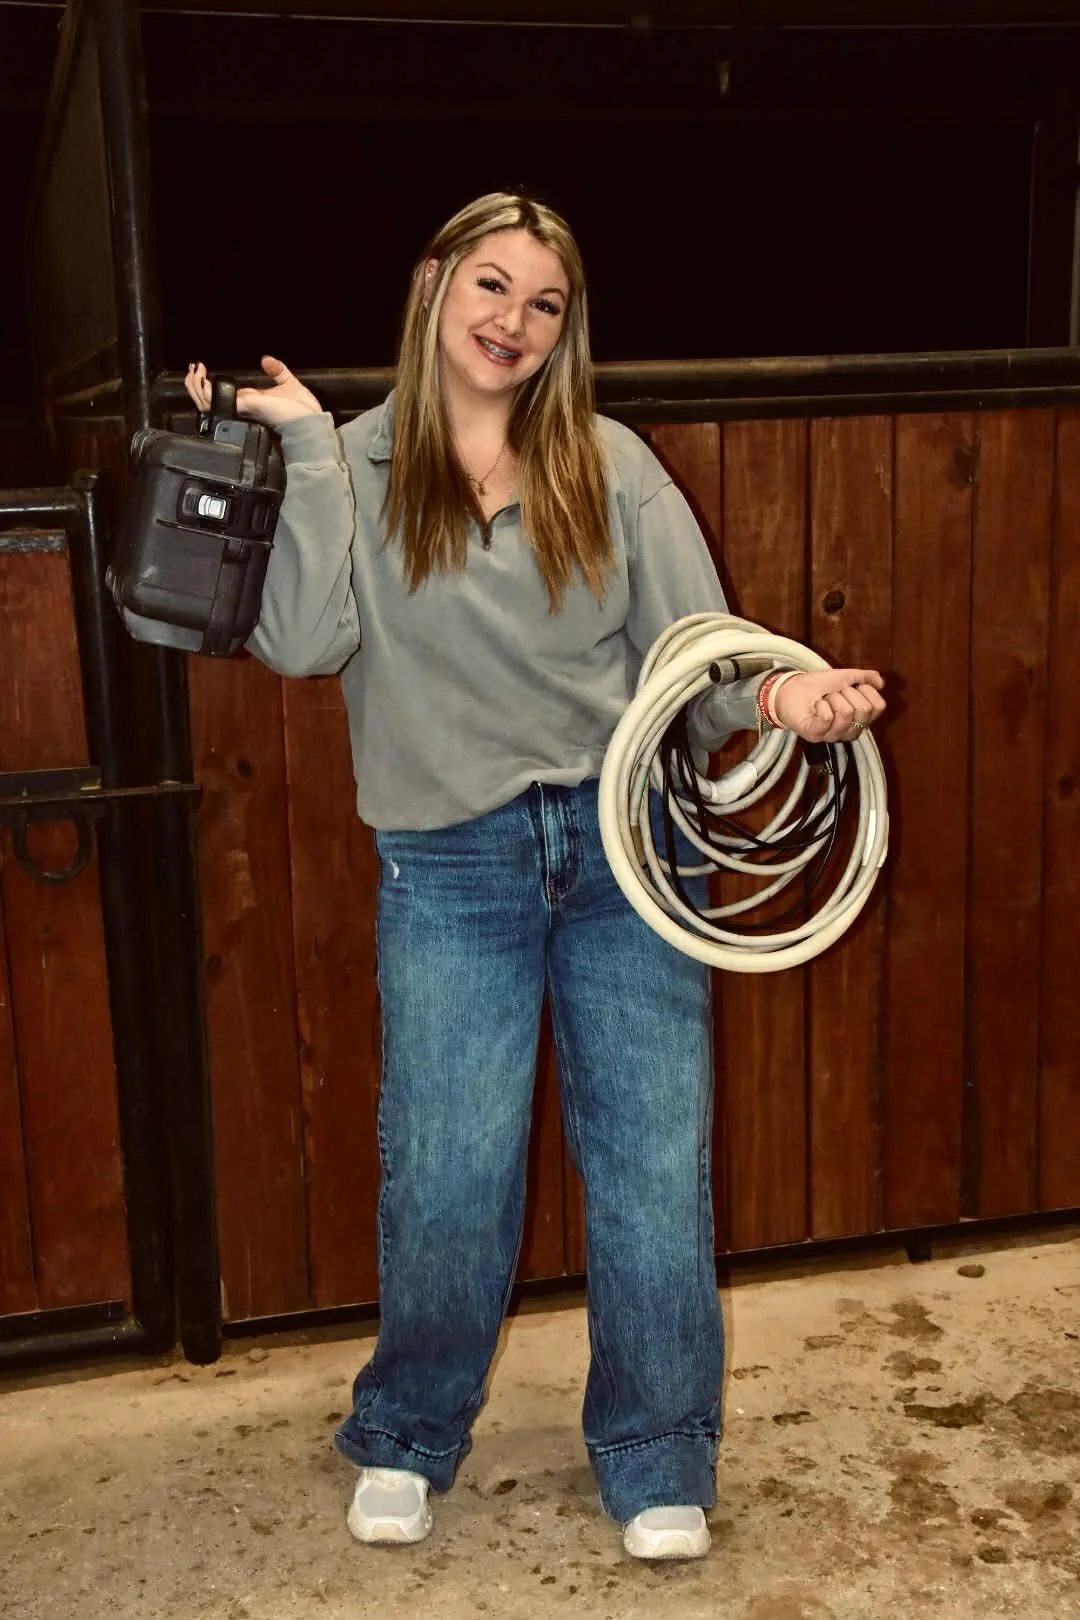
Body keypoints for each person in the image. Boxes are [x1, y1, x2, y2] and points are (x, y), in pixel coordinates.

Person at [185, 190, 885, 1562]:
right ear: (434, 283)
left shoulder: (609, 463)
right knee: (447, 1172)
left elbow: (700, 659)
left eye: (545, 303)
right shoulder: (360, 459)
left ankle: (656, 1451)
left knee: (650, 1166)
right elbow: (306, 640)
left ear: (568, 328)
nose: (513, 321)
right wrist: (306, 455)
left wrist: (790, 701)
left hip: (628, 856)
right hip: (453, 865)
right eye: (492, 287)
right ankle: (407, 1433)